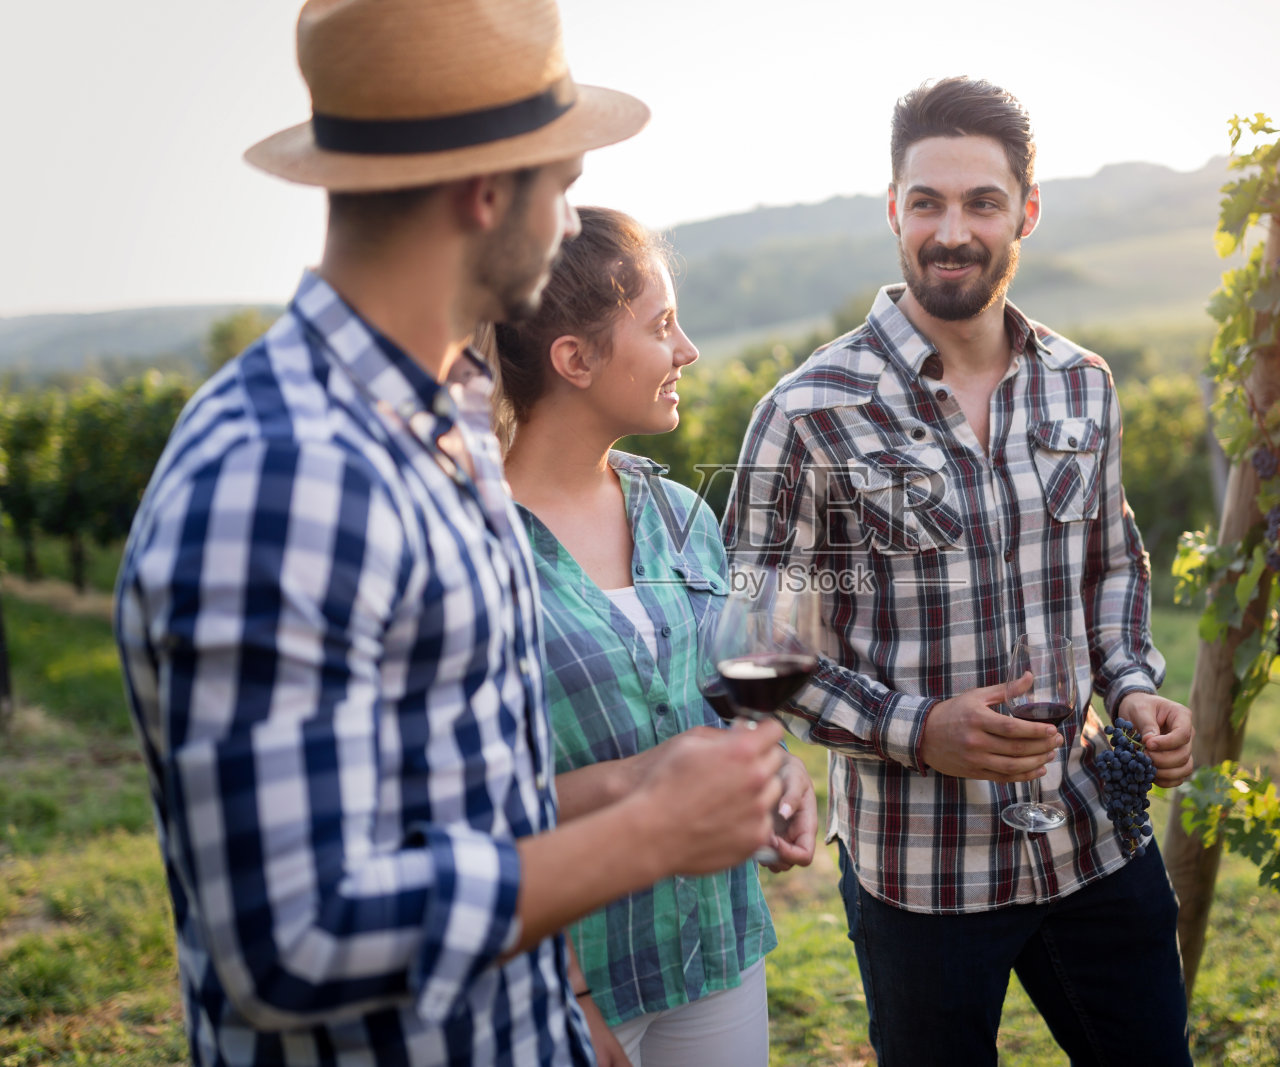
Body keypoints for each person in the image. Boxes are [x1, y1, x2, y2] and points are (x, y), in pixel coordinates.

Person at [114, 2, 786, 1064]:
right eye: (561, 187)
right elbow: (289, 938)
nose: (570, 224)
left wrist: (637, 785)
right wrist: (645, 835)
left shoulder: (446, 424)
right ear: (487, 191)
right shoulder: (278, 473)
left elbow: (464, 789)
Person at [722, 76, 1197, 1065]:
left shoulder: (1082, 383)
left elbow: (1111, 562)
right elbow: (755, 655)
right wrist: (919, 729)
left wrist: (1136, 685)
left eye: (981, 201)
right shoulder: (808, 412)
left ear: (1025, 211)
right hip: (922, 872)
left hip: (1093, 840)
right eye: (927, 201)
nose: (952, 230)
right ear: (893, 208)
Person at [485, 206, 817, 1067]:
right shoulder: (474, 551)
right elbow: (468, 807)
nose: (688, 350)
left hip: (716, 950)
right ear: (575, 359)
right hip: (574, 974)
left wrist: (774, 768)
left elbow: (726, 702)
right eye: (661, 325)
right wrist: (640, 779)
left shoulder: (681, 515)